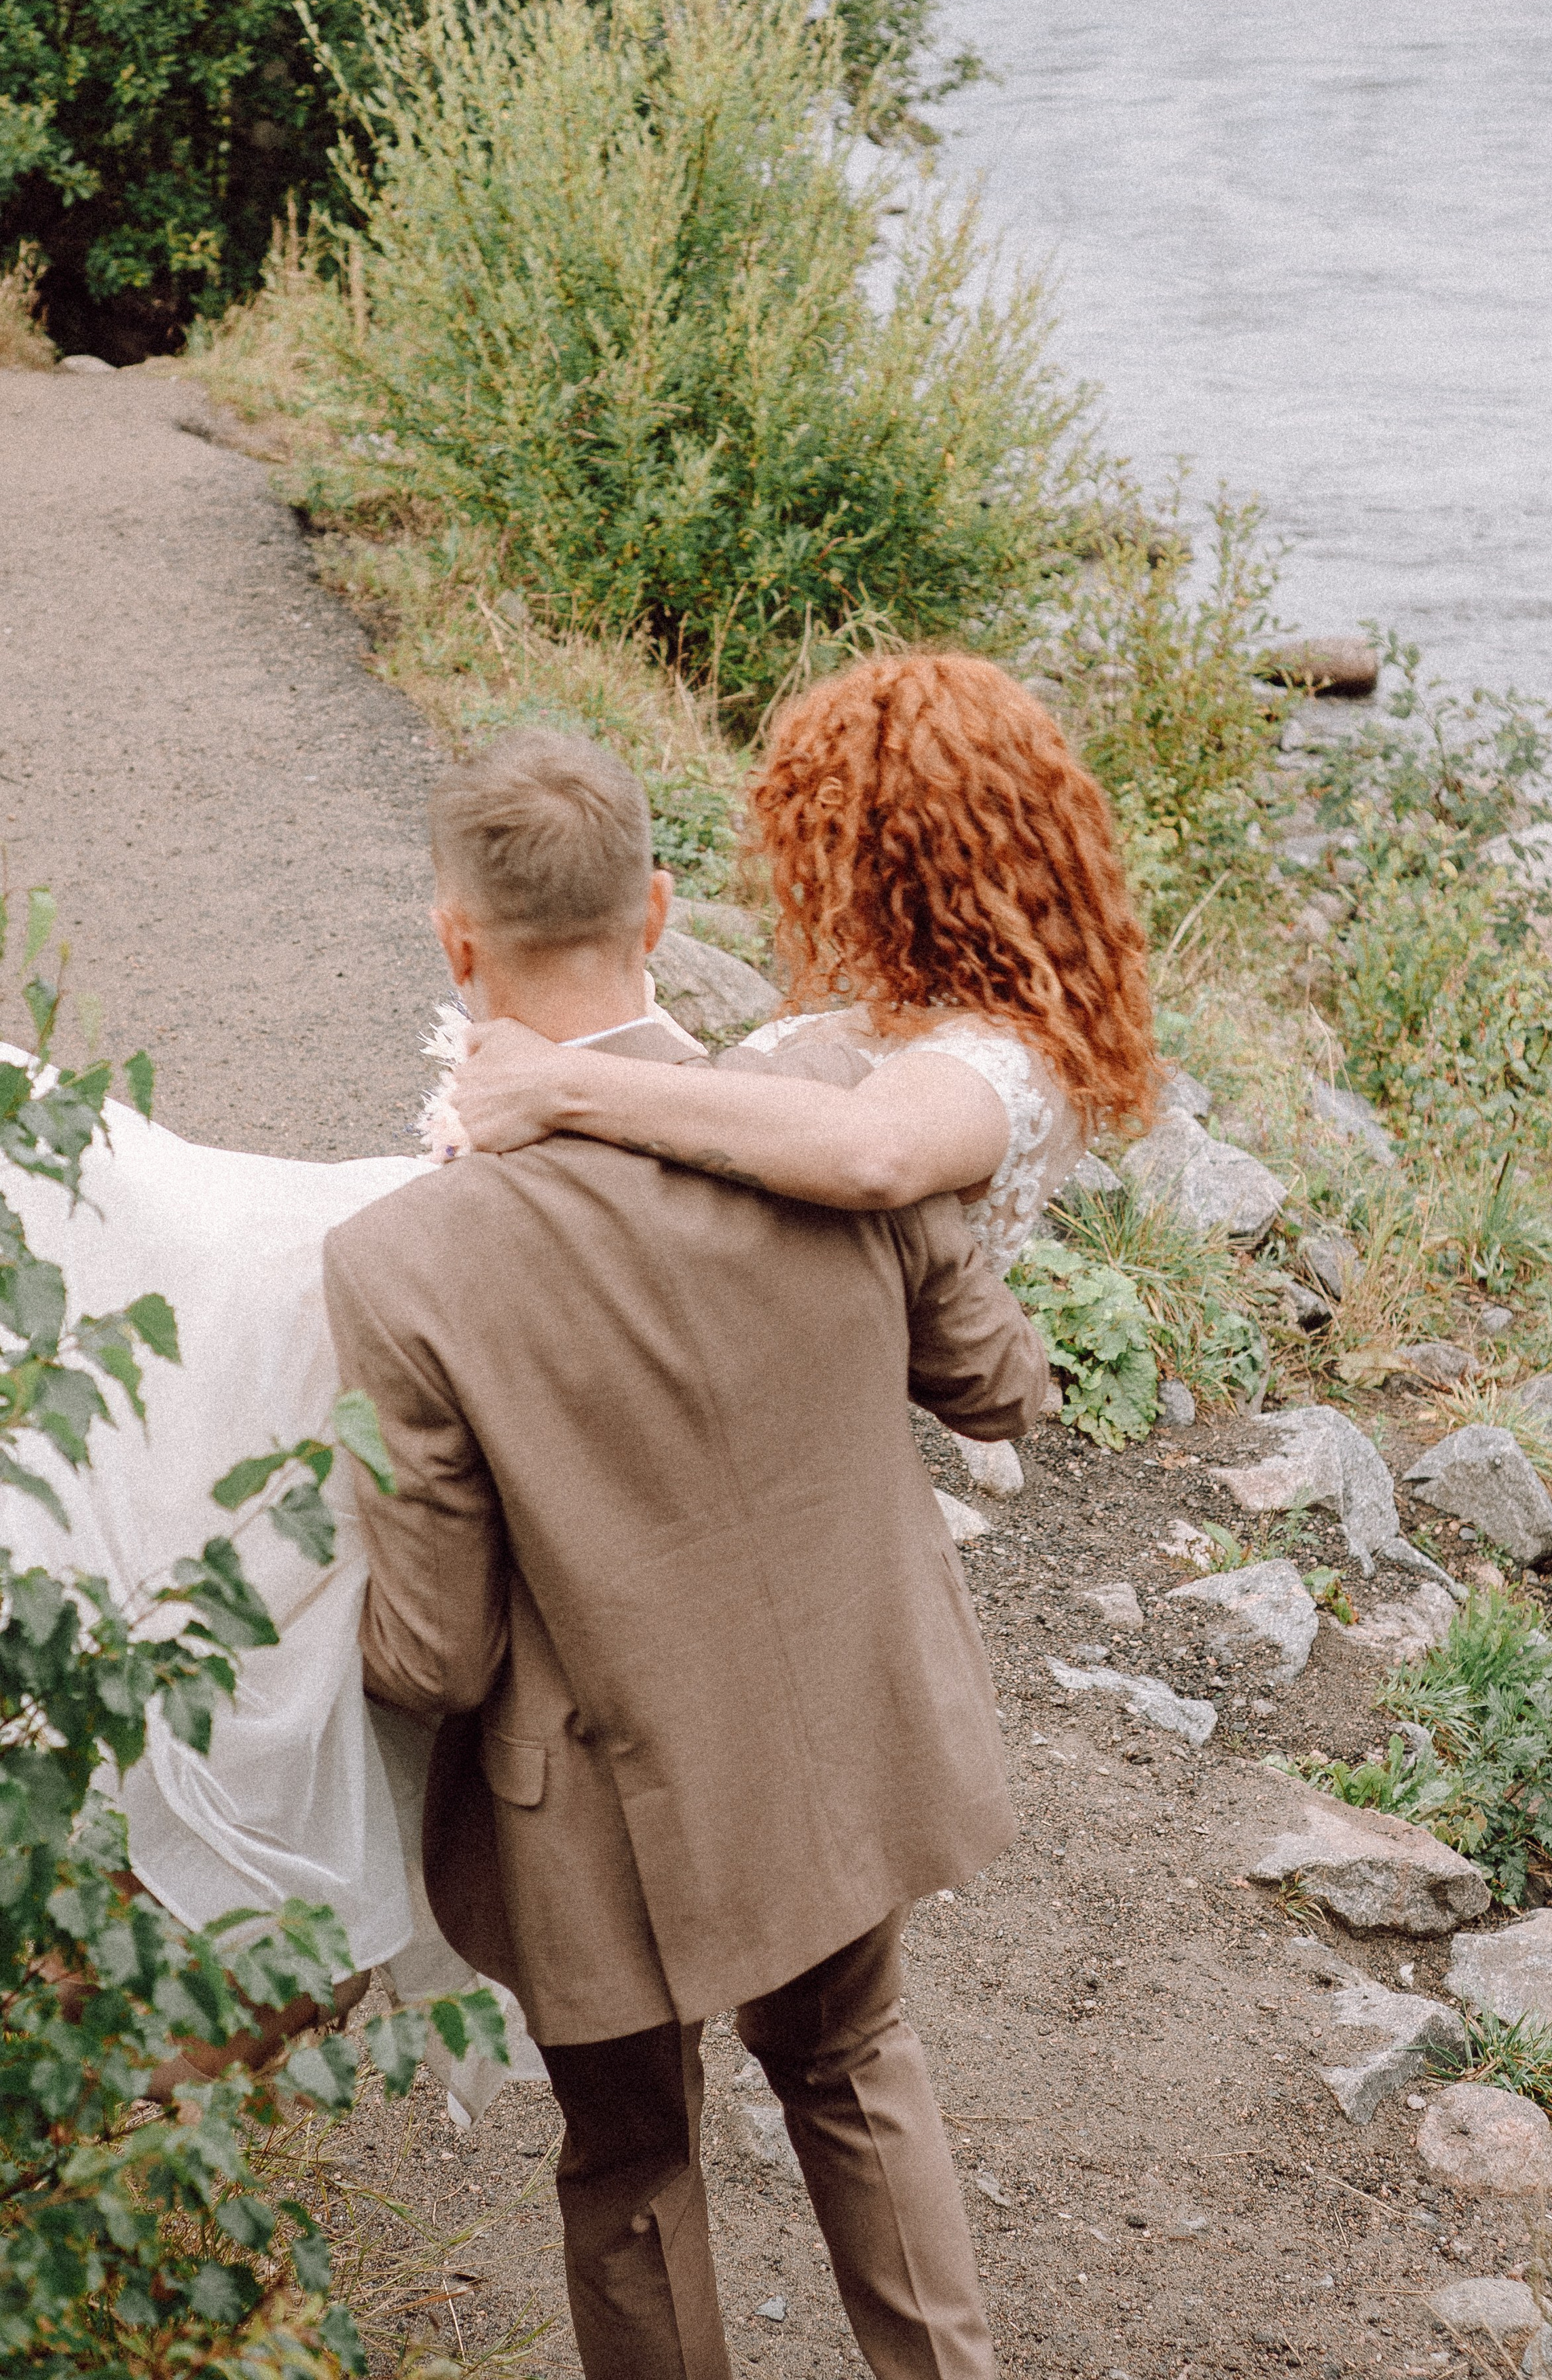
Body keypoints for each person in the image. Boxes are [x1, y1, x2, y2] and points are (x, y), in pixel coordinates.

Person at [323, 726, 1050, 2380]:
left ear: (454, 941)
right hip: (836, 1737)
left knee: (631, 2160)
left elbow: (433, 1652)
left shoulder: (399, 1262)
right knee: (852, 2061)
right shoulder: (834, 1119)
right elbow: (998, 1387)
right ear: (653, 909)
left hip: (601, 1818)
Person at [449, 653, 1159, 1279]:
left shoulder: (1006, 1061)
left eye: (827, 847)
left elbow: (875, 1154)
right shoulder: (934, 1015)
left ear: (895, 868)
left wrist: (560, 1081)